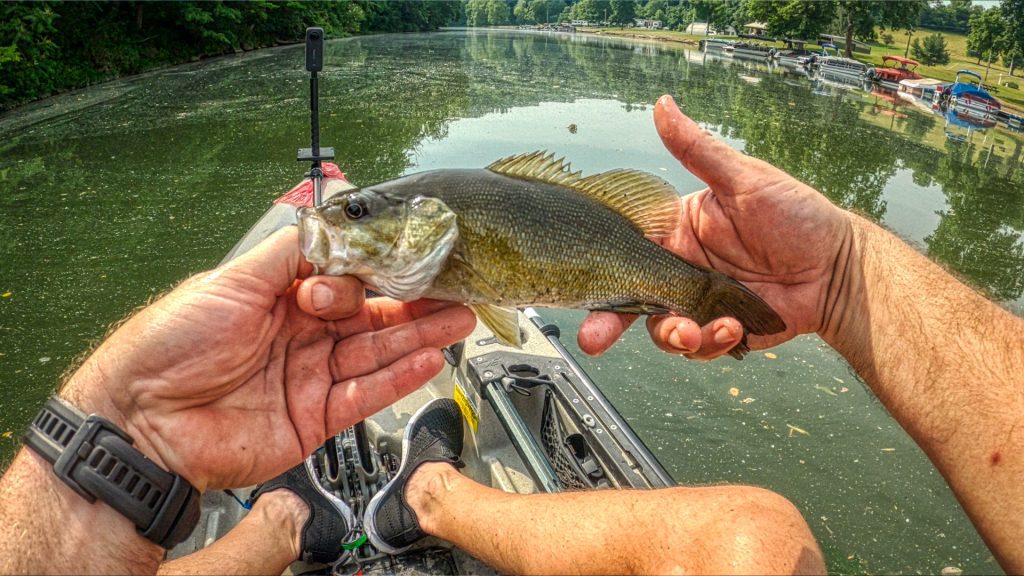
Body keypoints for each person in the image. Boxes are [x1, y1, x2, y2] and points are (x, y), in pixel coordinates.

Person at [0, 94, 1020, 575]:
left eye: (364, 215)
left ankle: (296, 519)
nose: (342, 222)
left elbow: (511, 278)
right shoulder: (438, 236)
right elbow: (488, 300)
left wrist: (113, 432)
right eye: (351, 214)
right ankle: (428, 494)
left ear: (425, 227)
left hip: (622, 266)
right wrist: (837, 274)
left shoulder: (456, 233)